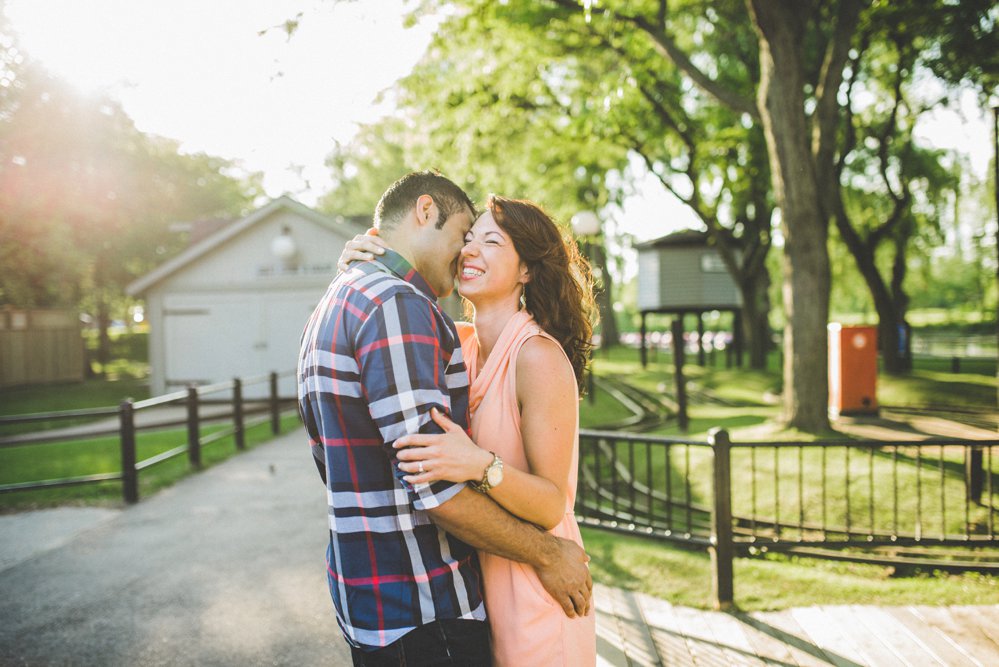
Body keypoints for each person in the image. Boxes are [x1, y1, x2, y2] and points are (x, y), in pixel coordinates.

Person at [297, 172, 592, 667]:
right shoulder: (457, 339)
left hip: (528, 587)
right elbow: (380, 305)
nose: (467, 252)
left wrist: (479, 465)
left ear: (526, 272)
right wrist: (368, 251)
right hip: (477, 583)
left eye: (489, 241)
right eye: (467, 237)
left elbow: (551, 504)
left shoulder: (537, 355)